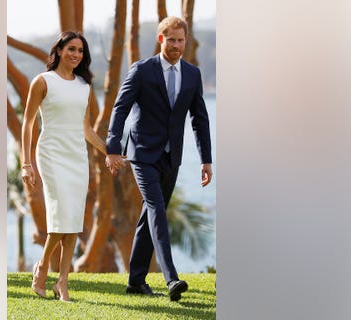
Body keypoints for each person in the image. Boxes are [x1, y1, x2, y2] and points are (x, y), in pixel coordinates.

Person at [105, 16, 213, 302]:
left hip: (172, 156)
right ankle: (171, 277)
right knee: (157, 210)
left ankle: (135, 281)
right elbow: (120, 108)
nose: (176, 45)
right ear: (161, 39)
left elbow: (200, 120)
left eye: (181, 40)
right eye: (171, 40)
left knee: (148, 216)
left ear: (185, 41)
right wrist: (113, 147)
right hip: (141, 153)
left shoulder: (192, 74)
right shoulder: (141, 70)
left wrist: (206, 159)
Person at [20, 31, 106, 303]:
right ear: (58, 50)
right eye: (71, 49)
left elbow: (86, 130)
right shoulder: (43, 81)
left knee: (73, 220)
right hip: (51, 154)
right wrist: (26, 162)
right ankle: (43, 266)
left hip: (77, 156)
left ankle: (62, 282)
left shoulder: (84, 86)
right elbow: (28, 123)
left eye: (80, 51)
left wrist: (110, 152)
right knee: (61, 215)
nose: (76, 55)